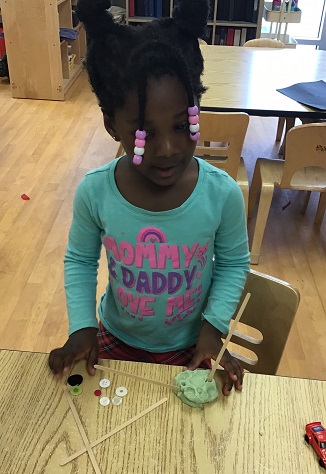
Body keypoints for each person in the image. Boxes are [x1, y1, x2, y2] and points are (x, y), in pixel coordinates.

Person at [49, 0, 250, 396]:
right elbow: (80, 260)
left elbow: (232, 265)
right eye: (145, 132)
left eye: (182, 125)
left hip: (195, 344)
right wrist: (82, 328)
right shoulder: (95, 192)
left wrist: (214, 331)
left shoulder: (222, 194)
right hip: (115, 341)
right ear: (112, 125)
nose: (168, 149)